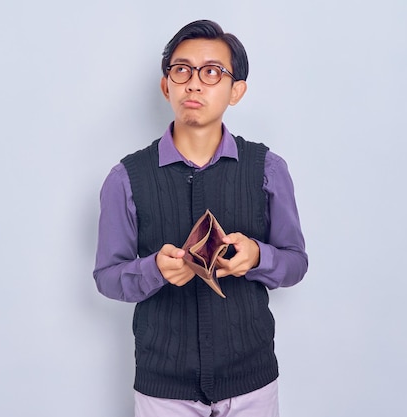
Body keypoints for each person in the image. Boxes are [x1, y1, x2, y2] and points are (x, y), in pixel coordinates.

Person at [93, 19, 308, 417]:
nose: (193, 84)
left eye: (212, 72)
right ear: (165, 85)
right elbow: (107, 276)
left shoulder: (268, 169)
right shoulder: (125, 178)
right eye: (181, 70)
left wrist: (258, 257)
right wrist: (153, 269)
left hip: (253, 382)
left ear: (236, 91)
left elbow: (296, 262)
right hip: (164, 388)